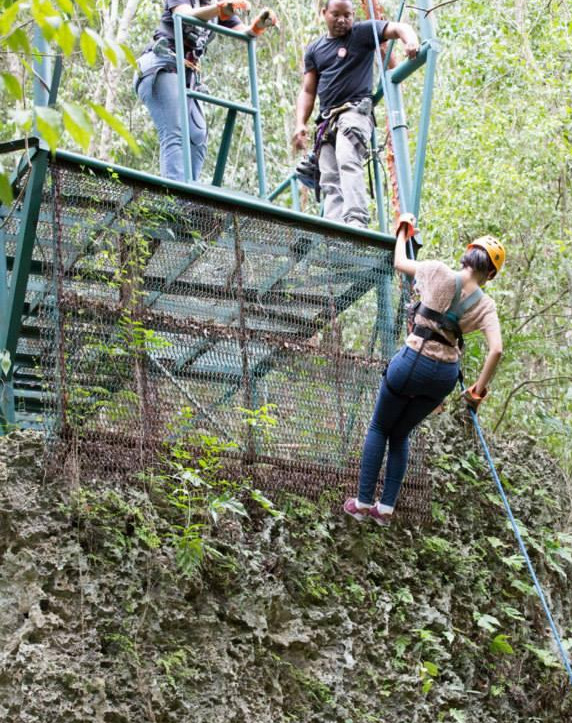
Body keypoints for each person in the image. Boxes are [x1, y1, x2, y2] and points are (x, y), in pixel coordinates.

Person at [343, 215, 505, 526]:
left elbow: (400, 261)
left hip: (412, 362)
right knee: (400, 433)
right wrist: (476, 392)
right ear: (491, 274)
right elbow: (496, 349)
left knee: (380, 428)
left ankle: (363, 503)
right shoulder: (486, 306)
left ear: (467, 255)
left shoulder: (437, 271)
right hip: (443, 377)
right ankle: (385, 509)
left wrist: (403, 230)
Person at [292, 0, 419, 228]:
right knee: (329, 177)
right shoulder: (315, 49)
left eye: (347, 15)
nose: (342, 20)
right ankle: (334, 229)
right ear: (324, 13)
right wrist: (300, 123)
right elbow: (308, 90)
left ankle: (356, 221)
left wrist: (411, 41)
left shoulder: (361, 33)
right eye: (336, 15)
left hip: (354, 112)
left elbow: (398, 27)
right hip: (327, 121)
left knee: (347, 156)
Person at [135, 1, 277, 182]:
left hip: (187, 77)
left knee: (197, 136)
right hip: (162, 65)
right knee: (175, 132)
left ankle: (191, 197)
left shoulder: (212, 5)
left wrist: (258, 26)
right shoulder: (202, 5)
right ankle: (176, 198)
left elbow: (243, 32)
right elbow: (183, 14)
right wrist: (220, 9)